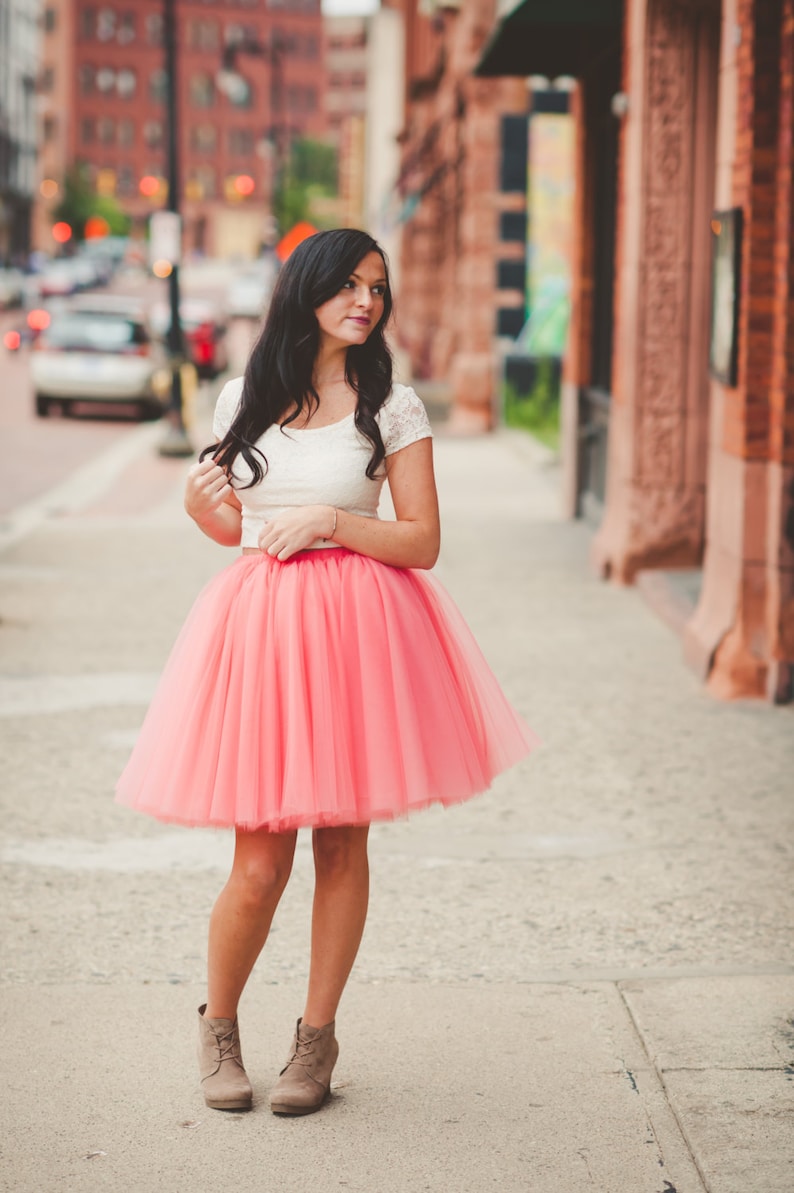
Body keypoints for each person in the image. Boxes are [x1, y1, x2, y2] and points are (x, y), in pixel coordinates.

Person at [115, 228, 538, 1117]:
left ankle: (314, 1043)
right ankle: (219, 1028)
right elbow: (232, 527)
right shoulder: (243, 395)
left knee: (343, 844)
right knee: (258, 863)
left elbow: (421, 541)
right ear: (305, 288)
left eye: (377, 287)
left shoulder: (393, 404)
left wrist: (332, 522)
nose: (365, 301)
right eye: (348, 283)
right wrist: (202, 511)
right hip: (263, 635)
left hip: (358, 637)